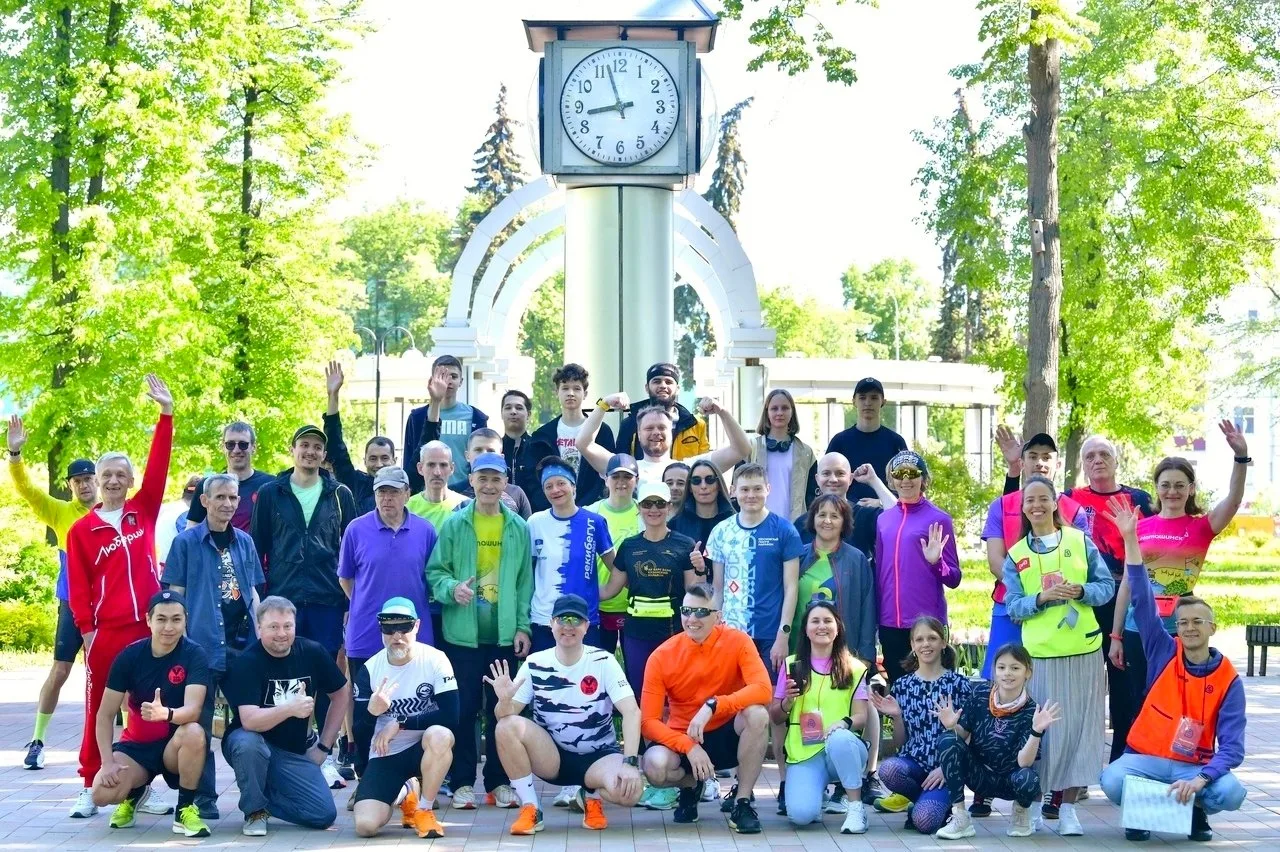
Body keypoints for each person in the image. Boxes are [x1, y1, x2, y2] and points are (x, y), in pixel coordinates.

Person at [1099, 498, 1246, 843]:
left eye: (1198, 622)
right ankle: (1144, 809)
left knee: (1232, 792)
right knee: (1112, 780)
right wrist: (1131, 539)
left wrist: (1203, 779)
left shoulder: (1229, 679)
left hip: (1193, 764)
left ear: (1213, 628)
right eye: (1183, 623)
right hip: (1148, 759)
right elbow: (1141, 596)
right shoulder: (1164, 650)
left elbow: (1233, 749)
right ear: (1175, 629)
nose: (1190, 628)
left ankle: (1195, 808)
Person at [66, 374, 173, 818]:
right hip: (107, 631)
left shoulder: (142, 510)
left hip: (146, 627)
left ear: (130, 481)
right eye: (106, 474)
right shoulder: (81, 530)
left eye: (120, 475)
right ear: (97, 480)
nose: (113, 480)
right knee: (100, 708)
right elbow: (79, 588)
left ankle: (138, 785)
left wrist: (165, 415)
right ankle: (90, 781)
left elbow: (159, 467)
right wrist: (88, 632)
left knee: (145, 707)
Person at [1110, 421, 1248, 741]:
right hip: (1137, 629)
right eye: (1165, 484)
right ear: (1156, 488)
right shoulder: (1139, 527)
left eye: (1180, 484)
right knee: (1137, 702)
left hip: (1181, 630)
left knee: (1182, 702)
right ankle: (1135, 768)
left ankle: (1182, 763)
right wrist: (1116, 635)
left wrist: (1240, 458)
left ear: (1191, 489)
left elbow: (1234, 499)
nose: (1172, 491)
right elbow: (1129, 585)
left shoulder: (1203, 526)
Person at [1002, 474, 1116, 836]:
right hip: (1040, 655)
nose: (1036, 505)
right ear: (1023, 508)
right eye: (1029, 500)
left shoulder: (1080, 542)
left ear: (1055, 503)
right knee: (1042, 732)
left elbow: (1105, 587)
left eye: (1042, 499)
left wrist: (1081, 590)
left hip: (1082, 649)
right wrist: (1041, 599)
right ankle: (1034, 802)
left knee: (1079, 730)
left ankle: (1068, 807)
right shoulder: (1017, 555)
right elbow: (1013, 605)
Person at [249, 423, 356, 787]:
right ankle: (289, 753)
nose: (310, 451)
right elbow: (257, 547)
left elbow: (349, 551)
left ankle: (324, 756)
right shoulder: (271, 493)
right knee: (286, 678)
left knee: (326, 676)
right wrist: (262, 602)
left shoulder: (339, 494)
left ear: (323, 454)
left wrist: (348, 600)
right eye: (304, 445)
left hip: (328, 599)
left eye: (316, 447)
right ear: (292, 449)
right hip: (285, 599)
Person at [426, 452, 532, 810]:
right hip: (463, 637)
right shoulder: (455, 526)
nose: (488, 485)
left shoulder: (518, 527)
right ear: (470, 481)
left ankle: (500, 783)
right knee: (464, 709)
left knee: (502, 709)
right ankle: (461, 784)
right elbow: (435, 573)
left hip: (503, 638)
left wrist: (522, 627)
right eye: (482, 478)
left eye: (496, 479)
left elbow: (524, 584)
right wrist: (453, 588)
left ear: (506, 483)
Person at [489, 594, 645, 834]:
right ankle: (531, 807)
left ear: (586, 626)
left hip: (598, 756)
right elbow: (504, 717)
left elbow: (632, 712)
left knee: (630, 792)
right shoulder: (534, 662)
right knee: (506, 726)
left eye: (575, 620)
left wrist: (631, 763)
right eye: (562, 619)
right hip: (552, 757)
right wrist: (504, 700)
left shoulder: (604, 660)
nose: (568, 626)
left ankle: (591, 796)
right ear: (551, 624)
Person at [162, 473, 265, 819]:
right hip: (200, 647)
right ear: (204, 501)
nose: (227, 504)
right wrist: (178, 641)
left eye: (233, 498)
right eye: (219, 497)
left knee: (249, 724)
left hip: (241, 647)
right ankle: (201, 799)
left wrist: (263, 630)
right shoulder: (186, 543)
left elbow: (252, 591)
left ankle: (256, 797)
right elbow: (175, 596)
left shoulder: (245, 542)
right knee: (199, 727)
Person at [640, 585, 772, 833]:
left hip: (726, 732)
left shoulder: (738, 641)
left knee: (758, 714)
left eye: (701, 612)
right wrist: (688, 746)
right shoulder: (661, 656)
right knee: (654, 766)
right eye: (686, 610)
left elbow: (763, 689)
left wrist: (714, 704)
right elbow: (648, 722)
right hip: (684, 737)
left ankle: (741, 802)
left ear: (718, 616)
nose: (692, 619)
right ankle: (691, 786)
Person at [7, 414, 97, 771]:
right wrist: (15, 455)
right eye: (78, 481)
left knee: (110, 674)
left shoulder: (114, 514)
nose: (85, 485)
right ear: (71, 485)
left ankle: (118, 742)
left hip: (106, 608)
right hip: (72, 605)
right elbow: (27, 491)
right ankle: (38, 740)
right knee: (60, 670)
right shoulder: (61, 512)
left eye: (89, 478)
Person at [338, 466, 438, 781]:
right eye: (382, 492)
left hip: (415, 639)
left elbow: (432, 578)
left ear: (408, 493)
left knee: (419, 705)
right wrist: (367, 606)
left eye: (394, 492)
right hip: (366, 636)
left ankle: (417, 778)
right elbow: (346, 579)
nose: (387, 498)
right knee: (367, 709)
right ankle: (366, 777)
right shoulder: (356, 529)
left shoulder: (426, 531)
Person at [221, 596, 350, 836]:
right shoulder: (248, 662)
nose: (281, 633)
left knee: (322, 814)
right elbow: (250, 721)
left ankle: (262, 795)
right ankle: (254, 810)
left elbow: (342, 694)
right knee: (248, 744)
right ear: (259, 629)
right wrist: (290, 708)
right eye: (273, 627)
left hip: (292, 751)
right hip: (250, 742)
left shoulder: (312, 652)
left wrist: (323, 747)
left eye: (287, 626)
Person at [1061, 434, 1153, 761]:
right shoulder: (1069, 499)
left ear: (1116, 461)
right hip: (1085, 599)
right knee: (1084, 688)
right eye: (1090, 456)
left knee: (1124, 686)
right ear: (1083, 464)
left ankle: (1121, 763)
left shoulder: (1139, 499)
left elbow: (1153, 549)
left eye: (1104, 454)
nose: (1097, 460)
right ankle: (1079, 769)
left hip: (1126, 599)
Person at [90, 590, 211, 837]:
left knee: (195, 733)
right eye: (161, 619)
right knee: (102, 794)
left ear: (186, 620)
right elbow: (104, 715)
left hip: (175, 748)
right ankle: (134, 794)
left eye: (176, 619)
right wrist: (107, 763)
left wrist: (165, 714)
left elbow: (193, 710)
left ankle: (185, 809)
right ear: (148, 620)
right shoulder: (129, 656)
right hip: (137, 748)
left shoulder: (194, 654)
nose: (169, 626)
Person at [790, 493, 879, 813]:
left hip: (847, 650)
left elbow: (869, 605)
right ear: (811, 519)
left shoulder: (857, 559)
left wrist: (866, 652)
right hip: (802, 652)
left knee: (852, 714)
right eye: (821, 514)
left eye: (835, 515)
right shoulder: (797, 556)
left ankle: (851, 784)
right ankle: (797, 777)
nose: (827, 520)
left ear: (845, 522)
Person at [979, 431, 1089, 682]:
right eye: (1033, 456)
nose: (1040, 462)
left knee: (1051, 682)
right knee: (1003, 680)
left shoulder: (1074, 510)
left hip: (1058, 609)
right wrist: (1031, 597)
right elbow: (996, 561)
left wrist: (1046, 598)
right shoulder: (1002, 505)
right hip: (1009, 606)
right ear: (1022, 462)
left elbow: (1082, 564)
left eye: (1046, 457)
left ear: (1057, 465)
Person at [351, 598, 457, 839]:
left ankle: (425, 810)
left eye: (404, 627)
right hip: (386, 753)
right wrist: (372, 712)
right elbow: (359, 734)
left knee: (441, 735)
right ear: (380, 629)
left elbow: (452, 716)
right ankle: (406, 790)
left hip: (425, 747)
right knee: (365, 826)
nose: (396, 635)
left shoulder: (436, 659)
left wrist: (399, 722)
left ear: (417, 626)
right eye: (389, 628)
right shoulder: (369, 670)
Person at [933, 644, 1058, 840]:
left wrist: (1036, 731)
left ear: (1028, 673)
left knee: (1028, 779)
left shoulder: (1032, 710)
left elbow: (1024, 763)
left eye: (1015, 668)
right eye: (1001, 667)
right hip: (980, 775)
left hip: (1011, 780)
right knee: (948, 739)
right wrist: (951, 726)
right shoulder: (981, 693)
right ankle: (960, 817)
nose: (1007, 673)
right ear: (994, 670)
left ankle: (1020, 812)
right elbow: (962, 733)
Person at [769, 600, 870, 833]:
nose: (821, 626)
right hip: (805, 752)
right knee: (801, 816)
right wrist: (787, 702)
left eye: (827, 621)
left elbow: (862, 716)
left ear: (838, 628)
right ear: (805, 629)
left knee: (840, 738)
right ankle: (815, 794)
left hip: (843, 749)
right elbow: (775, 717)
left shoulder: (854, 668)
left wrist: (843, 724)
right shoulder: (792, 665)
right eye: (815, 621)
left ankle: (856, 807)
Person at [869, 616, 971, 833]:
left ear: (943, 642)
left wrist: (946, 769)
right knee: (889, 769)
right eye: (920, 639)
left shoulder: (960, 685)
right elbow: (899, 743)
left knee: (924, 823)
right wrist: (897, 716)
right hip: (913, 766)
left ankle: (937, 806)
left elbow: (970, 736)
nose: (926, 644)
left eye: (932, 638)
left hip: (945, 770)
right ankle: (920, 799)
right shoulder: (903, 686)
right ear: (913, 645)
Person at [874, 450, 961, 685]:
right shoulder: (884, 520)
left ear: (923, 479)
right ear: (891, 480)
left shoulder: (939, 519)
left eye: (912, 473)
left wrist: (937, 563)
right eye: (899, 474)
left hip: (926, 624)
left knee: (933, 691)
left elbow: (954, 578)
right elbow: (879, 573)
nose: (905, 479)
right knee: (900, 692)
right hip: (890, 622)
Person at [578, 393, 750, 485]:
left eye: (662, 428)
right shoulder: (624, 468)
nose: (656, 433)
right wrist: (603, 405)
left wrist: (722, 411)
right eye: (649, 428)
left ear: (671, 431)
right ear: (638, 432)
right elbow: (583, 444)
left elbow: (741, 449)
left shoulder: (691, 467)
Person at [527, 363, 613, 510]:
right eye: (565, 388)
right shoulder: (542, 435)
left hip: (593, 508)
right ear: (557, 392)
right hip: (552, 509)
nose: (570, 393)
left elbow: (610, 471)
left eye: (577, 388)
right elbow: (533, 477)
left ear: (585, 393)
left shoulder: (602, 432)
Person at [406, 440, 466, 648]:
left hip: (454, 603)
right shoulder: (408, 508)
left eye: (443, 465)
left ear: (452, 468)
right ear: (420, 468)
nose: (437, 472)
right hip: (418, 602)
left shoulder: (464, 506)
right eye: (431, 465)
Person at [404, 355, 488, 492]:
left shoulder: (476, 418)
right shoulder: (417, 417)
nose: (448, 381)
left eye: (453, 376)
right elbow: (410, 458)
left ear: (461, 381)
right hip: (426, 493)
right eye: (442, 376)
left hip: (465, 491)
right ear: (432, 380)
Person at [324, 360, 397, 515]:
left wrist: (436, 402)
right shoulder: (354, 483)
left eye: (384, 458)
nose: (379, 464)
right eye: (373, 458)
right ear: (364, 461)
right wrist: (333, 396)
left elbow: (423, 446)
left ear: (394, 461)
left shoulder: (404, 484)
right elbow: (336, 447)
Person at [824, 378, 908, 503]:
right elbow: (827, 483)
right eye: (862, 397)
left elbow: (906, 484)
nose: (868, 403)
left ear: (883, 402)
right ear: (854, 401)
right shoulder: (839, 442)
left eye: (874, 398)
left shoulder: (896, 442)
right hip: (847, 515)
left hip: (886, 515)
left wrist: (880, 502)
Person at [793, 453, 888, 563]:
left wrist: (874, 481)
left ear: (851, 479)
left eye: (840, 474)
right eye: (826, 473)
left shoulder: (864, 516)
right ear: (817, 479)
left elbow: (900, 519)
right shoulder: (802, 523)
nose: (833, 479)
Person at [588, 453, 639, 654]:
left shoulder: (646, 514)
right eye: (616, 477)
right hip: (598, 605)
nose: (621, 482)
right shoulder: (591, 513)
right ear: (605, 478)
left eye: (627, 477)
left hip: (633, 606)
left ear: (637, 480)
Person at [185, 421, 274, 532]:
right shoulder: (206, 485)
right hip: (216, 549)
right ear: (223, 447)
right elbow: (191, 531)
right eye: (230, 445)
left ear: (253, 447)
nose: (236, 450)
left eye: (243, 444)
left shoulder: (271, 485)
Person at [614, 362, 710, 461]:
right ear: (647, 388)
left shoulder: (696, 425)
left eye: (668, 382)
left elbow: (705, 464)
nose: (663, 386)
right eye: (657, 381)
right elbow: (621, 465)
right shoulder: (630, 423)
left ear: (677, 389)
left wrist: (721, 411)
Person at [748, 389, 816, 520]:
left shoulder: (806, 453)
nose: (779, 413)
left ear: (792, 412)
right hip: (757, 522)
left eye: (785, 408)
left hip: (794, 524)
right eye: (774, 408)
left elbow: (812, 495)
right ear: (767, 412)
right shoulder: (751, 448)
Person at [456, 427, 533, 517]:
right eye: (478, 450)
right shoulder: (454, 493)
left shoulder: (516, 494)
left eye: (491, 451)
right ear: (467, 456)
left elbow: (525, 530)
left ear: (502, 456)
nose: (485, 455)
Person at [669, 458, 733, 564]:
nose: (703, 486)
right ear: (689, 487)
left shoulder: (734, 522)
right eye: (696, 481)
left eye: (710, 479)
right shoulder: (675, 524)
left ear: (719, 484)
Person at [498, 389, 541, 506]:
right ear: (501, 413)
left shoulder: (539, 448)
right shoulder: (494, 450)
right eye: (508, 408)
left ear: (529, 414)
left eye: (519, 407)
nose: (513, 412)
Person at [156, 475, 201, 565]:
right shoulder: (186, 514)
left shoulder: (166, 508)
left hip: (160, 567)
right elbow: (191, 546)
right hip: (176, 569)